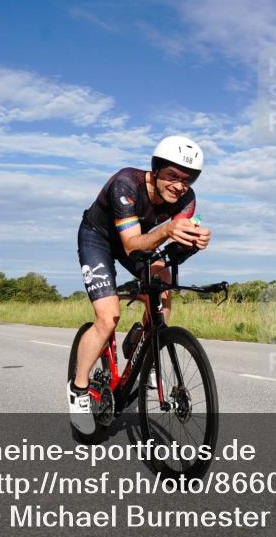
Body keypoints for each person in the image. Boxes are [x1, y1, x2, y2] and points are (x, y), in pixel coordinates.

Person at [68, 135, 211, 435]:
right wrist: (170, 229)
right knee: (108, 318)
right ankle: (79, 391)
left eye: (188, 179)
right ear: (156, 170)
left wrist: (193, 243)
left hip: (138, 239)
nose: (179, 185)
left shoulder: (187, 199)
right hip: (99, 239)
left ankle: (150, 344)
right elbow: (132, 245)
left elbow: (167, 252)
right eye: (172, 175)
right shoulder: (126, 183)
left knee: (164, 283)